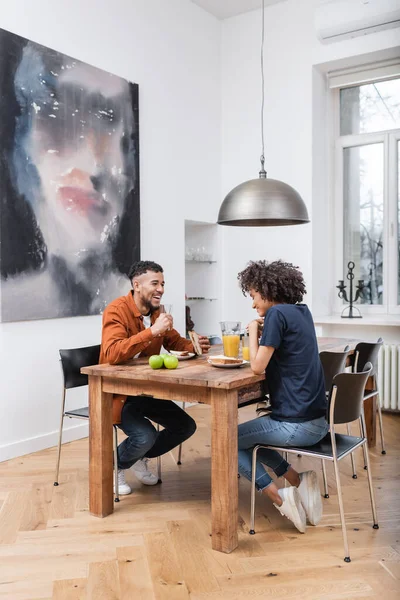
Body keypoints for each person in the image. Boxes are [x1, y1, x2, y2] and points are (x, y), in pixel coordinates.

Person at [0, 28, 139, 321]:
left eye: (107, 119)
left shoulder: (138, 305)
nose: (91, 162)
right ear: (22, 151)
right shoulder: (11, 305)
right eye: (56, 118)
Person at [100, 260, 211, 495]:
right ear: (136, 285)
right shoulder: (116, 310)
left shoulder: (157, 312)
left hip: (147, 391)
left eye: (162, 283)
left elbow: (173, 342)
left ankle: (137, 458)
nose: (161, 288)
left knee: (185, 426)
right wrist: (152, 331)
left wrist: (194, 344)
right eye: (155, 283)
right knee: (146, 435)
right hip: (120, 394)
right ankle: (115, 466)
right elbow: (112, 353)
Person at [236, 260, 328, 533]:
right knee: (250, 442)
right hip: (318, 422)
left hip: (295, 427)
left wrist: (253, 332)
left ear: (266, 291)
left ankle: (279, 496)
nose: (253, 304)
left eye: (253, 296)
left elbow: (256, 367)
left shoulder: (276, 316)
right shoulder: (302, 312)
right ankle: (298, 479)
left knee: (228, 441)